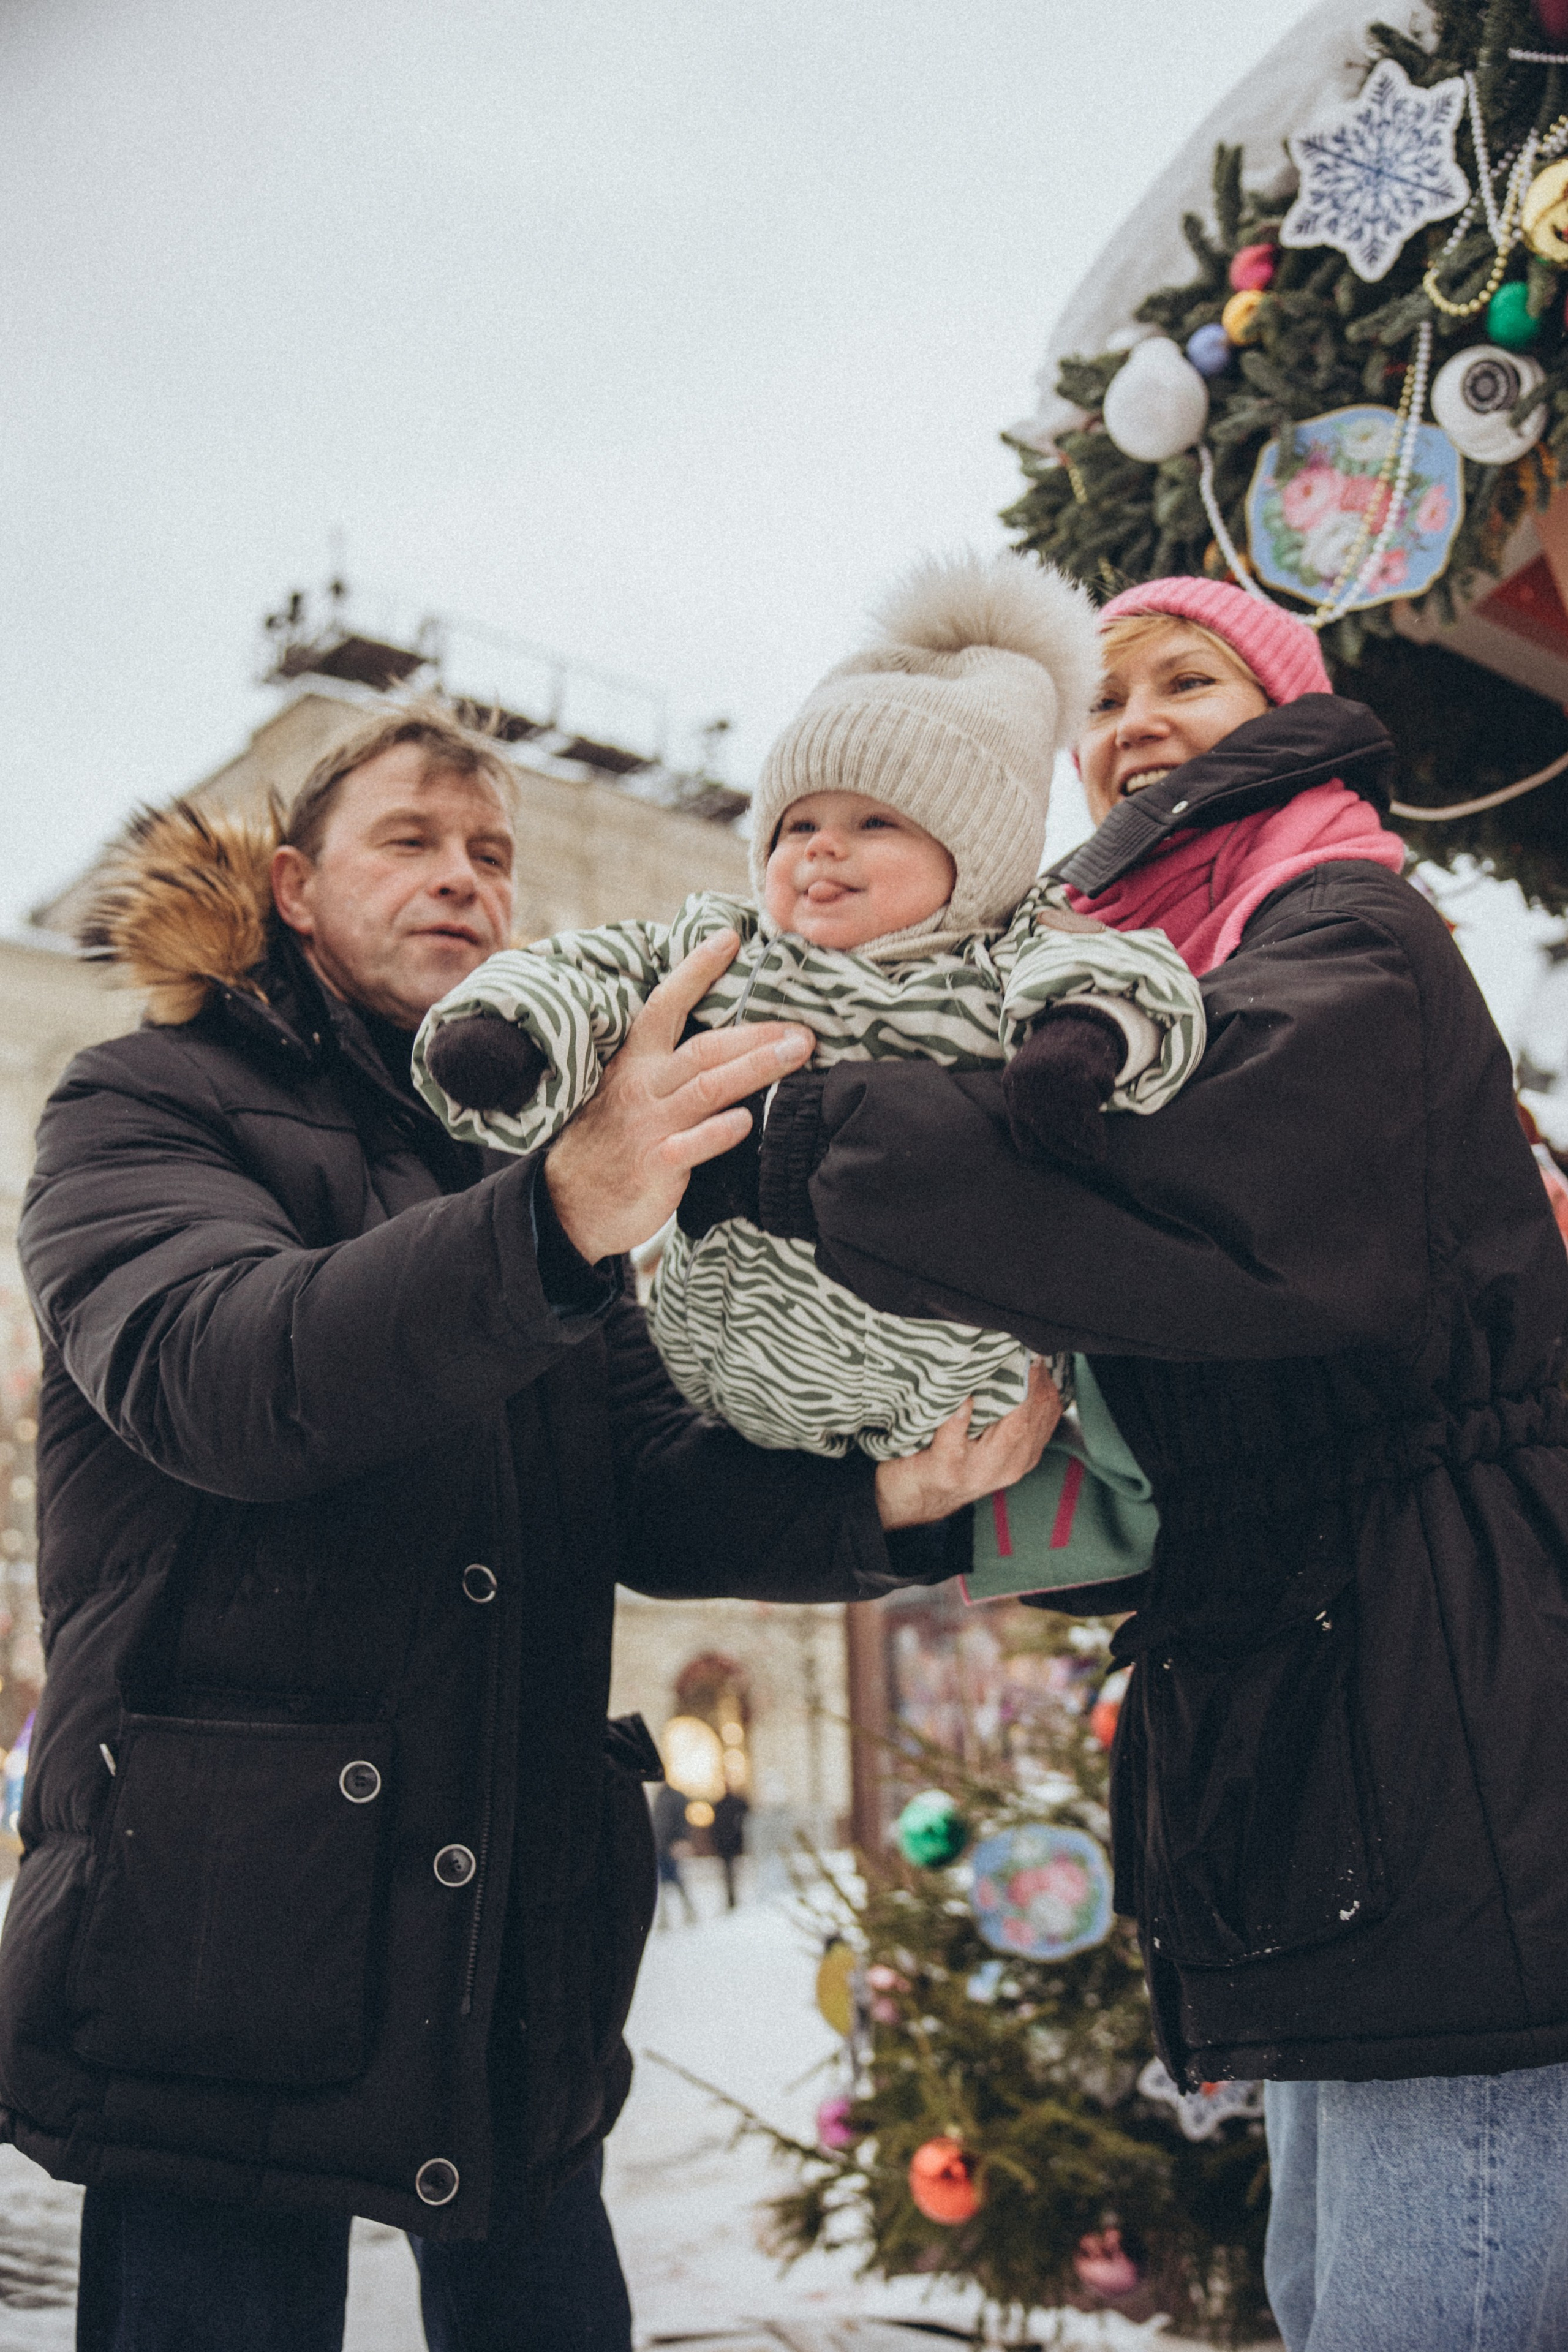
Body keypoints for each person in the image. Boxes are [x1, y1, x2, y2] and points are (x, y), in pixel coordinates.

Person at [0, 704, 1055, 2352]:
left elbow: (640, 1469)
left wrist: (887, 1504)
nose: (464, 881)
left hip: (506, 1917)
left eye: (492, 854)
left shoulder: (519, 1155)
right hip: (230, 1930)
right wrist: (562, 1214)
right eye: (411, 841)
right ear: (292, 884)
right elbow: (222, 1372)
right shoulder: (140, 1103)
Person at [743, 578, 1568, 2351]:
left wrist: (798, 1127)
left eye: (1187, 678)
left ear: (1285, 711)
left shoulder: (1346, 935)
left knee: (1427, 2304)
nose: (1132, 724)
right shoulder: (1173, 967)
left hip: (1455, 1735)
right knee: (1332, 2296)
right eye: (1101, 704)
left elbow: (1176, 1184)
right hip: (1326, 1719)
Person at [413, 554, 1204, 1460]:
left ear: (978, 853)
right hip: (724, 1365)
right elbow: (597, 967)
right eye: (798, 826)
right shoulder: (733, 948)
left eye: (875, 824)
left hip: (953, 1386)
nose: (823, 850)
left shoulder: (1010, 951)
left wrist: (1084, 1043)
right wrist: (514, 1033)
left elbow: (1137, 981)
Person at [709, 1787, 749, 1910]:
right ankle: (731, 1899)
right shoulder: (724, 1805)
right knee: (729, 1873)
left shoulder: (728, 1804)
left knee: (731, 1873)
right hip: (728, 1844)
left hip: (728, 1844)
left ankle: (733, 1899)